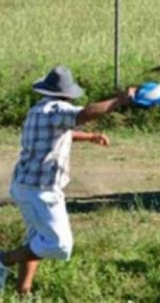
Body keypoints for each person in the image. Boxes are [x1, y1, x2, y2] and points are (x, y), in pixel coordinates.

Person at [0, 65, 136, 296]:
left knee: (37, 239)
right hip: (40, 190)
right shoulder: (58, 109)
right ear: (67, 93)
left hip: (25, 186)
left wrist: (90, 136)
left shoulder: (39, 110)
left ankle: (24, 292)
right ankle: (4, 259)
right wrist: (119, 101)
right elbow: (86, 113)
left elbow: (63, 131)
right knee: (59, 245)